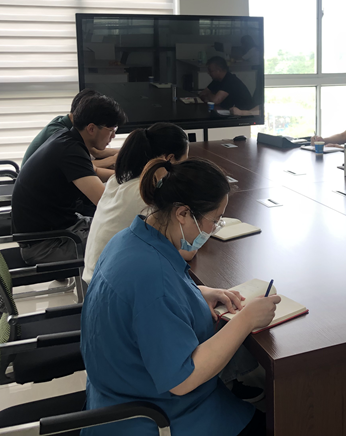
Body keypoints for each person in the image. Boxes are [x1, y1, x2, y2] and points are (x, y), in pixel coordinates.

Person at [81, 157, 280, 436]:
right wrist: (246, 320)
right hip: (158, 418)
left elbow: (141, 304)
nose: (214, 228)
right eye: (215, 220)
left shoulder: (128, 240)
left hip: (115, 396)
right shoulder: (154, 279)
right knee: (281, 423)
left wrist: (195, 292)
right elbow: (183, 379)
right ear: (183, 213)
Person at [11, 94, 127, 264]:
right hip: (47, 244)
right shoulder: (70, 151)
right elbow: (105, 201)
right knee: (126, 244)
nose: (113, 136)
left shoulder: (66, 138)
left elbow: (93, 171)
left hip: (58, 230)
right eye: (111, 130)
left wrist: (128, 177)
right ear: (92, 128)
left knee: (119, 230)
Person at [82, 122, 190, 283]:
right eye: (183, 162)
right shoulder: (147, 194)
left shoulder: (119, 179)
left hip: (95, 277)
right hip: (112, 285)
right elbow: (186, 251)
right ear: (170, 159)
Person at [23, 88, 119, 181]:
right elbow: (80, 164)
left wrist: (121, 154)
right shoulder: (62, 138)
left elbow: (95, 152)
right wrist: (112, 160)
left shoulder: (65, 123)